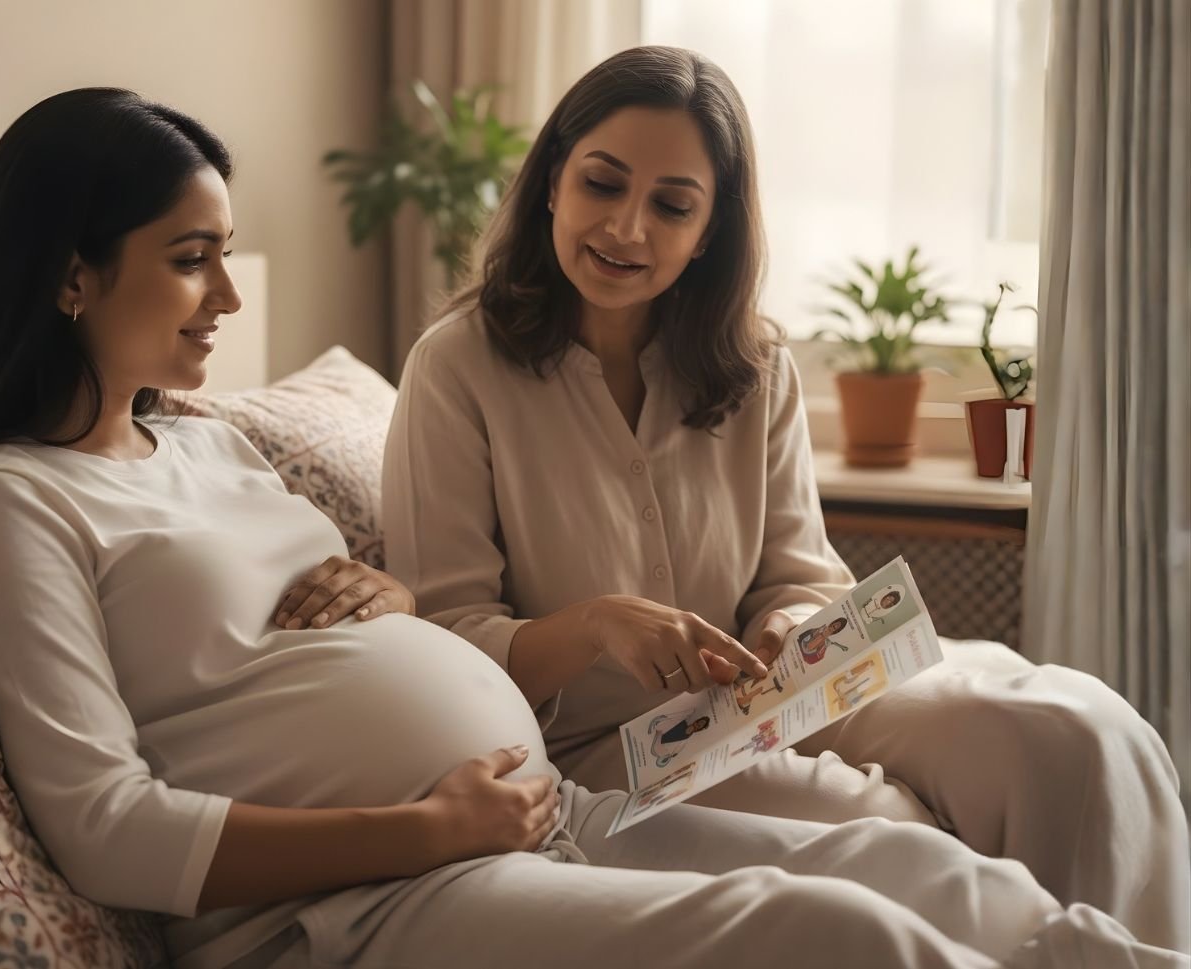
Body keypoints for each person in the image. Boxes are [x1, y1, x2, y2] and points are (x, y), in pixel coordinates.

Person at [0, 87, 1183, 969]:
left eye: (226, 254)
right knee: (840, 939)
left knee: (933, 880)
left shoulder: (202, 441)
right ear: (70, 273)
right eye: (194, 258)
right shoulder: (8, 500)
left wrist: (393, 607)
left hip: (532, 817)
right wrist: (424, 826)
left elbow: (368, 610)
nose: (232, 297)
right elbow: (104, 823)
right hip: (355, 901)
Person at [380, 45, 1190, 954]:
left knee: (1072, 734)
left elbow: (799, 572)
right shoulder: (456, 368)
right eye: (602, 185)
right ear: (552, 183)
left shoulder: (754, 365)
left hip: (783, 692)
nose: (627, 228)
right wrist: (598, 625)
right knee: (893, 828)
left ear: (710, 229)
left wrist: (788, 623)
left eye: (672, 206)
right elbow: (443, 644)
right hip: (608, 747)